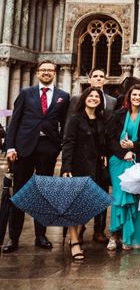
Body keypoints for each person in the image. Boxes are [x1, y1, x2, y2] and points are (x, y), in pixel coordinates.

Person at [3, 60, 70, 253]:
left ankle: (41, 235)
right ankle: (13, 237)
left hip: (47, 150)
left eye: (50, 70)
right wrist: (10, 147)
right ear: (38, 73)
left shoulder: (63, 96)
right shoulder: (26, 93)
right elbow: (14, 122)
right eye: (43, 70)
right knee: (20, 193)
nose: (47, 73)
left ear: (55, 73)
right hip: (23, 150)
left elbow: (65, 124)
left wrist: (59, 145)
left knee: (44, 193)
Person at [68, 67, 117, 244]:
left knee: (101, 194)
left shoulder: (112, 101)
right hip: (81, 158)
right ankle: (78, 232)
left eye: (101, 76)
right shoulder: (75, 100)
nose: (98, 79)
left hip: (102, 157)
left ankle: (99, 229)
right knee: (80, 196)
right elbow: (69, 132)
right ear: (89, 79)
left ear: (105, 80)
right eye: (95, 76)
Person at [61, 87, 107, 260]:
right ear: (84, 98)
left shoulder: (101, 119)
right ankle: (74, 242)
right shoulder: (75, 119)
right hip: (77, 167)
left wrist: (103, 154)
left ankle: (78, 234)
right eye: (91, 96)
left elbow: (101, 142)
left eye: (97, 96)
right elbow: (68, 143)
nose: (94, 98)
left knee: (87, 205)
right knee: (74, 206)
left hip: (94, 169)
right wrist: (66, 167)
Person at [106, 84, 140, 251]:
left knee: (135, 199)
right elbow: (110, 139)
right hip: (118, 161)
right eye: (134, 95)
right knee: (119, 198)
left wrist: (133, 146)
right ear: (129, 97)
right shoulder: (117, 114)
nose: (137, 98)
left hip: (137, 162)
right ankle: (114, 235)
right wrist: (122, 152)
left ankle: (131, 237)